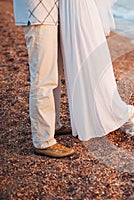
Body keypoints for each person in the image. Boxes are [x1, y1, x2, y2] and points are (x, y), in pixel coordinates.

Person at [59, 0, 134, 141]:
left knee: (91, 63)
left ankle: (124, 114)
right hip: (65, 10)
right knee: (76, 67)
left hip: (80, 9)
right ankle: (88, 120)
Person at [13, 0, 74, 158]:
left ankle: (53, 125)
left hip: (51, 13)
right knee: (43, 78)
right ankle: (43, 141)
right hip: (37, 13)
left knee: (54, 75)